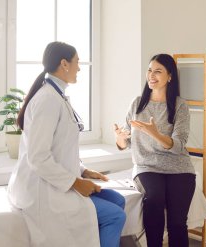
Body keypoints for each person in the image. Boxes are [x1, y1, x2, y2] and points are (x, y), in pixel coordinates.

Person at [8, 41, 126, 247]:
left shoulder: (57, 95)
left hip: (57, 181)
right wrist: (77, 183)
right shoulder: (48, 100)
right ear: (64, 64)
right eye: (77, 62)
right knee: (115, 216)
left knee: (118, 200)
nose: (79, 68)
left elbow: (59, 148)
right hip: (42, 190)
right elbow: (38, 158)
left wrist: (83, 170)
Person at [114, 54, 196, 247]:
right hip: (147, 166)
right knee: (154, 199)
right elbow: (124, 143)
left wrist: (155, 134)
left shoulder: (179, 106)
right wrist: (120, 138)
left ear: (170, 76)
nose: (152, 75)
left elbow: (179, 145)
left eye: (158, 71)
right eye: (150, 70)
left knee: (177, 223)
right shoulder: (137, 104)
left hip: (179, 168)